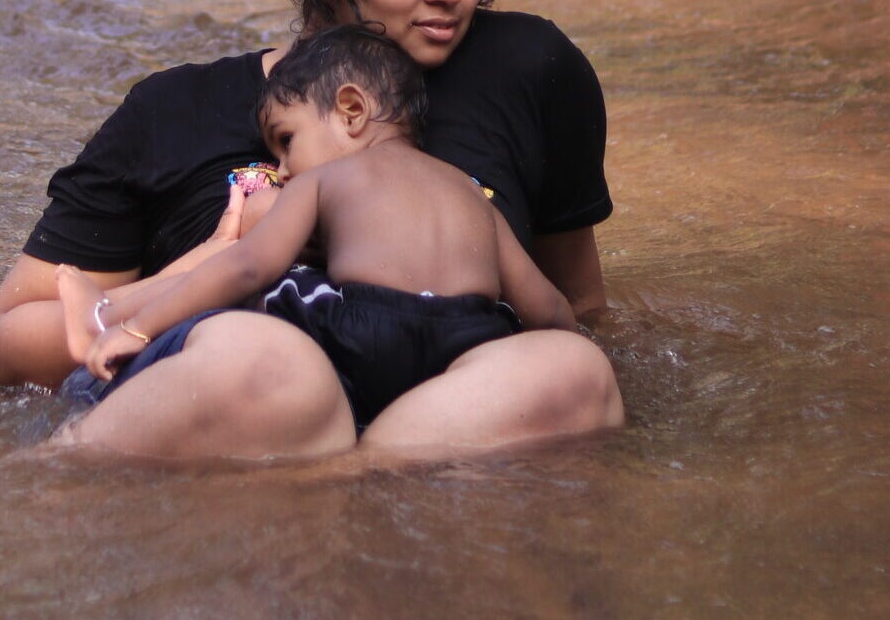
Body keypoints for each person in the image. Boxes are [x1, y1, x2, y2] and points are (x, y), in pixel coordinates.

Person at [0, 0, 624, 459]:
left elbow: (576, 307)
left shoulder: (529, 69)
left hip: (438, 426)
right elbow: (3, 346)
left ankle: (359, 478)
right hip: (253, 395)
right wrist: (193, 271)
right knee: (277, 369)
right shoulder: (172, 110)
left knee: (575, 371)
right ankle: (57, 469)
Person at [57, 24, 576, 432]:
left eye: (287, 141)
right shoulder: (469, 191)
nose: (282, 168)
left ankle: (108, 318)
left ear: (351, 111)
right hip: (470, 340)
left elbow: (247, 266)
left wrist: (139, 331)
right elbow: (547, 307)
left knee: (260, 286)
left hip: (364, 333)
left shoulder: (323, 180)